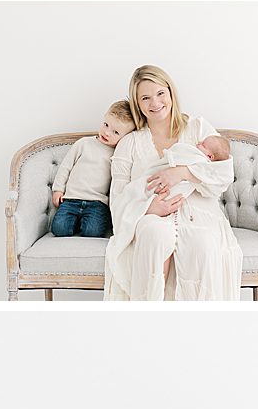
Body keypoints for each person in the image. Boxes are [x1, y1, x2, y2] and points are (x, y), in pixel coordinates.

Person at [104, 65, 242, 301]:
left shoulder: (197, 128)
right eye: (145, 98)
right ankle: (150, 318)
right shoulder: (130, 143)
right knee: (153, 235)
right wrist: (148, 209)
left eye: (160, 93)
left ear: (170, 93)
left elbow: (223, 175)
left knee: (202, 245)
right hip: (150, 216)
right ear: (138, 104)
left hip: (198, 214)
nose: (155, 103)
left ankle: (197, 326)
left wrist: (182, 173)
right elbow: (117, 199)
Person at [49, 101, 136, 237]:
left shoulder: (118, 155)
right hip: (71, 198)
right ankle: (73, 223)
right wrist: (58, 189)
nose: (107, 132)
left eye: (115, 132)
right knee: (59, 229)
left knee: (93, 231)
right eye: (106, 125)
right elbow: (66, 166)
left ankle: (83, 223)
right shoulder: (84, 143)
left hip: (97, 203)